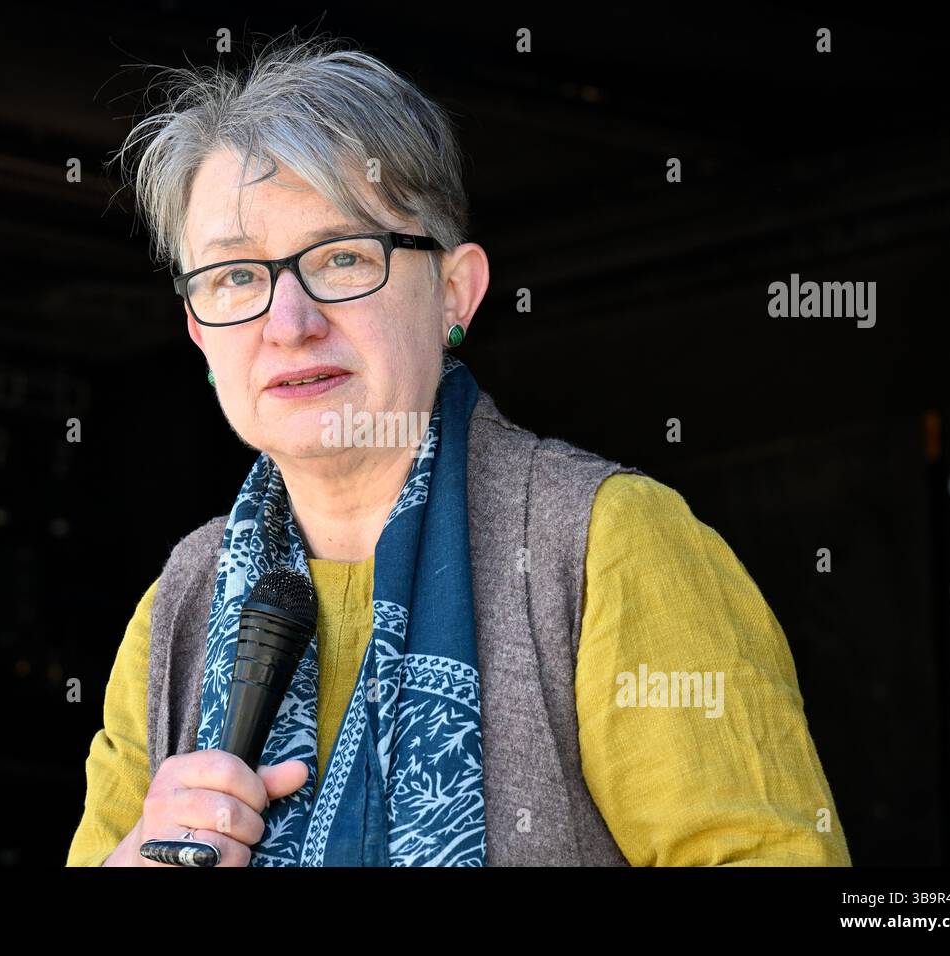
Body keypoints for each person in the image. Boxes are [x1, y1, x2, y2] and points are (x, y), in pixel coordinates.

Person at [67, 34, 851, 867]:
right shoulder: (180, 606)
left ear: (455, 291)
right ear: (198, 331)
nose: (288, 324)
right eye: (235, 277)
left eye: (340, 259)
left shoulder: (604, 545)